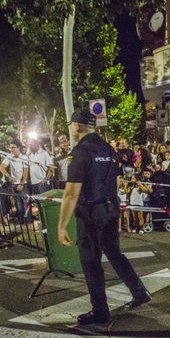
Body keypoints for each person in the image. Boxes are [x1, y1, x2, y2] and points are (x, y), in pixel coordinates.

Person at [57, 109, 152, 325]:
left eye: (71, 125)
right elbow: (116, 181)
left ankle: (100, 311)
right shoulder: (109, 149)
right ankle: (139, 291)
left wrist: (61, 226)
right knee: (114, 252)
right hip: (111, 208)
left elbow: (71, 193)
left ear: (76, 126)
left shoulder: (80, 152)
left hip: (91, 212)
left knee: (91, 261)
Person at [0, 140, 30, 224]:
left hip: (23, 183)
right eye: (10, 147)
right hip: (14, 183)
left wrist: (21, 183)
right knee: (18, 203)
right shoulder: (9, 156)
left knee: (25, 202)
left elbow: (25, 172)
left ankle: (27, 220)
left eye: (13, 147)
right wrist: (9, 176)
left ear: (18, 148)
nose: (11, 149)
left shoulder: (24, 157)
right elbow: (1, 167)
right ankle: (20, 220)